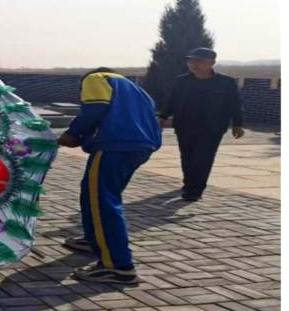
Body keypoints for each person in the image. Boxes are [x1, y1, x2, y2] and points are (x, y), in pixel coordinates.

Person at [57, 68, 162, 286]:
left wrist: (74, 133)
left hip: (114, 146)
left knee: (103, 202)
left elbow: (95, 108)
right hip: (139, 146)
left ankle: (118, 266)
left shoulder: (95, 78)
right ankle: (94, 239)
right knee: (94, 194)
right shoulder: (135, 89)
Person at [158, 47, 244, 201]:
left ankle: (195, 190)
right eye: (191, 61)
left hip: (212, 127)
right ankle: (189, 184)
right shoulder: (181, 81)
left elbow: (234, 104)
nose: (193, 64)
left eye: (198, 61)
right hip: (185, 125)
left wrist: (237, 124)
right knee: (187, 157)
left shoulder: (225, 83)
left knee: (203, 158)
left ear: (211, 63)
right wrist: (162, 117)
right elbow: (171, 101)